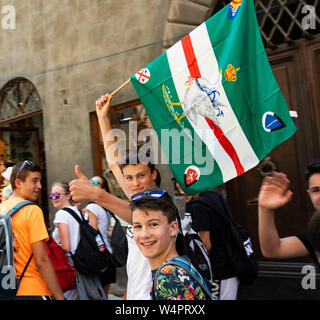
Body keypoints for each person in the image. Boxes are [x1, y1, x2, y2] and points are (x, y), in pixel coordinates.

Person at [69, 93, 161, 300]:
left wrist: (97, 195)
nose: (134, 183)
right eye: (129, 177)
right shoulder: (136, 197)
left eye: (141, 176)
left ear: (153, 174)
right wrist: (103, 118)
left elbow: (139, 216)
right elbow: (113, 163)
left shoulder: (160, 202)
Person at [0, 160, 65, 300]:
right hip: (33, 288)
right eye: (34, 181)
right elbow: (41, 260)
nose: (40, 186)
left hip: (7, 289)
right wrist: (59, 296)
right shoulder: (32, 210)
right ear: (18, 183)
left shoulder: (1, 208)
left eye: (40, 181)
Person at [130, 189, 211, 300]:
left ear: (173, 228)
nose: (144, 235)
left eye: (153, 224)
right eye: (138, 226)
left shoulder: (169, 277)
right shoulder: (180, 264)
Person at [173, 179, 240, 300]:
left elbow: (206, 245)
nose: (180, 184)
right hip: (226, 265)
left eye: (185, 179)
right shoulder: (206, 197)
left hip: (218, 269)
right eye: (177, 181)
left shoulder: (199, 205)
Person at [258, 159, 320, 265]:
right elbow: (273, 250)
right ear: (309, 195)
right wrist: (265, 209)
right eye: (316, 190)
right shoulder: (316, 234)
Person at [51, 181, 106, 300]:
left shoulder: (61, 214)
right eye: (51, 196)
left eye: (56, 195)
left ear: (68, 196)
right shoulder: (77, 211)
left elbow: (66, 247)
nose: (53, 198)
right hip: (84, 260)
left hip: (72, 264)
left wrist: (51, 247)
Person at [85, 175, 116, 298]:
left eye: (95, 182)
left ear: (103, 190)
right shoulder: (105, 208)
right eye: (90, 181)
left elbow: (93, 233)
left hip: (99, 257)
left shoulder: (92, 207)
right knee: (104, 295)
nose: (91, 183)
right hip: (108, 255)